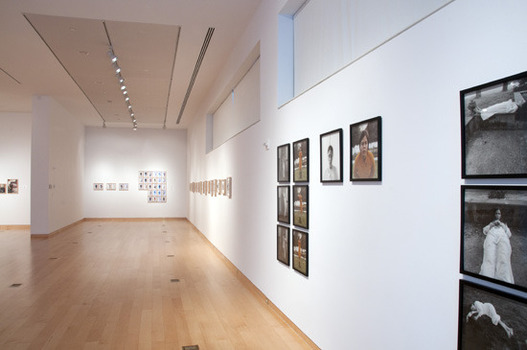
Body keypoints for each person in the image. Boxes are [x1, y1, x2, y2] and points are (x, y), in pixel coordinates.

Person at [479, 209, 514, 283]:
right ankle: (488, 277)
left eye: (499, 213)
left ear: (501, 215)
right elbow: (485, 231)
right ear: (494, 214)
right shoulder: (491, 223)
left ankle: (502, 278)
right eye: (496, 213)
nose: (497, 215)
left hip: (502, 237)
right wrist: (492, 225)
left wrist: (503, 226)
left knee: (503, 256)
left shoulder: (504, 224)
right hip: (492, 237)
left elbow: (509, 234)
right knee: (490, 256)